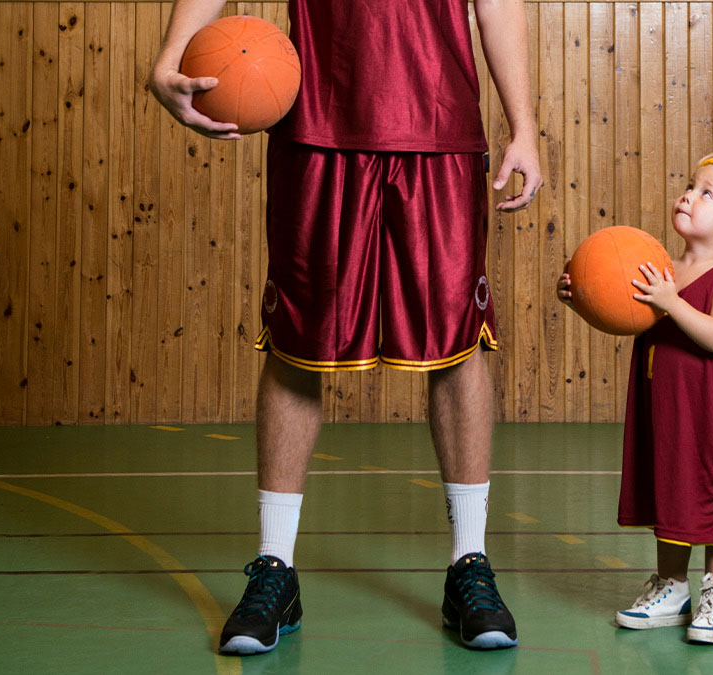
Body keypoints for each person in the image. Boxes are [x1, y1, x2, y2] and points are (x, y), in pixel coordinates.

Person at [149, 0, 542, 655]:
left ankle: (469, 563)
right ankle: (275, 567)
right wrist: (169, 57)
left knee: (456, 344)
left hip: (440, 128)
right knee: (297, 345)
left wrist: (523, 125)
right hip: (317, 129)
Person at [558, 152, 713, 644]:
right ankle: (672, 588)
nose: (688, 195)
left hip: (710, 421)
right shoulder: (661, 270)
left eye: (706, 193)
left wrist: (671, 301)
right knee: (671, 497)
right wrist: (582, 295)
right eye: (690, 186)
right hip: (666, 413)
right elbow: (620, 311)